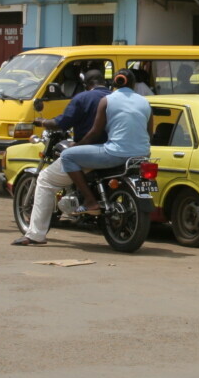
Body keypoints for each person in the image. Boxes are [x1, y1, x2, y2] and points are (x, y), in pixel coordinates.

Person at [13, 69, 153, 246]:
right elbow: (149, 133)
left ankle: (38, 232)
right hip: (141, 154)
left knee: (54, 171)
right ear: (133, 84)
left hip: (111, 153)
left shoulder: (103, 100)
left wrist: (77, 145)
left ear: (87, 85)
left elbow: (92, 131)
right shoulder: (144, 102)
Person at [40, 70, 108, 139]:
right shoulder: (112, 96)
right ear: (104, 82)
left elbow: (62, 123)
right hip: (110, 143)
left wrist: (43, 122)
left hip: (87, 143)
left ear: (85, 85)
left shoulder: (82, 98)